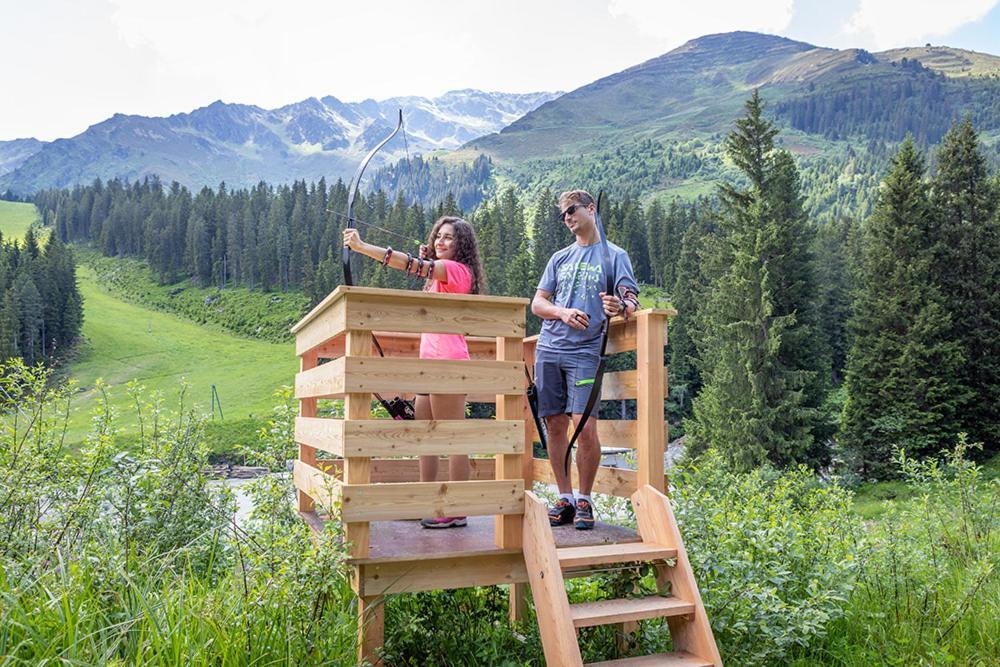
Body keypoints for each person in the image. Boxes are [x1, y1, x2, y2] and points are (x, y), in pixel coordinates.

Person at [343, 216, 486, 529]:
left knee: (452, 438)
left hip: (448, 362)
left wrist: (362, 246)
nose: (441, 242)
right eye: (438, 237)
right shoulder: (438, 275)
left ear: (461, 245)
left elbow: (410, 265)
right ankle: (427, 500)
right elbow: (422, 267)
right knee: (425, 437)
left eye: (449, 238)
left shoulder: (457, 271)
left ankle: (457, 508)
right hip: (428, 362)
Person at [530, 190, 639, 530]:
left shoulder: (614, 255)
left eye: (571, 211)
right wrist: (561, 313)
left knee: (585, 424)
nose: (567, 218)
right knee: (554, 424)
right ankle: (565, 497)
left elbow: (630, 300)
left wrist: (620, 308)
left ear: (591, 209)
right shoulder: (559, 258)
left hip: (585, 352)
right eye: (563, 215)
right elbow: (538, 304)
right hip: (549, 348)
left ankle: (585, 499)